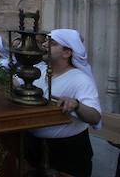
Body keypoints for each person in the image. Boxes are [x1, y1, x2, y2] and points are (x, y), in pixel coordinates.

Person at [26, 29, 102, 177]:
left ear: (67, 53)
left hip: (67, 153)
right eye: (46, 41)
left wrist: (76, 104)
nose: (44, 45)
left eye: (52, 43)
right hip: (33, 148)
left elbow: (95, 117)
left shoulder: (80, 79)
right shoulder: (38, 71)